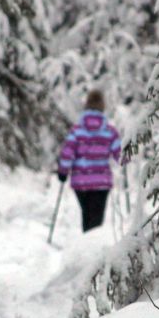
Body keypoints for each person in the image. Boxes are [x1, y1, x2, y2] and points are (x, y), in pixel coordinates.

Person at [57, 89, 121, 232]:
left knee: (87, 216)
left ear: (86, 105)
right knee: (97, 221)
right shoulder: (110, 131)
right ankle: (93, 249)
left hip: (81, 182)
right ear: (103, 106)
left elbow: (67, 153)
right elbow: (120, 156)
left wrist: (63, 172)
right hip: (101, 183)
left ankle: (87, 245)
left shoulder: (77, 130)